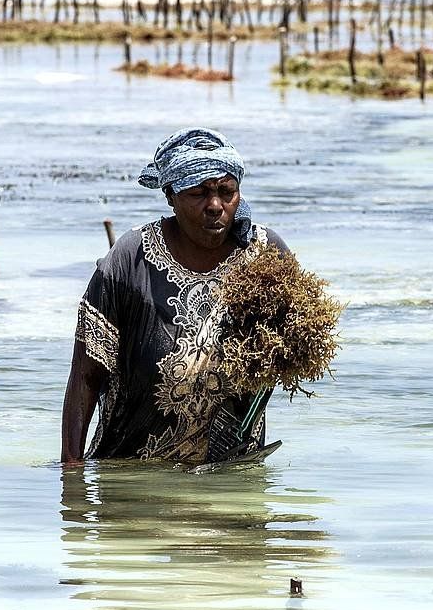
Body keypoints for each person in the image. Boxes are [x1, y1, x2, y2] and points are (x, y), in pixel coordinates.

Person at [61, 127, 289, 465]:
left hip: (231, 476)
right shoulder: (129, 259)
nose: (215, 206)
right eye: (198, 193)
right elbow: (86, 376)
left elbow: (299, 338)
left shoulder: (264, 255)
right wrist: (73, 477)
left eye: (227, 192)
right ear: (170, 195)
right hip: (134, 476)